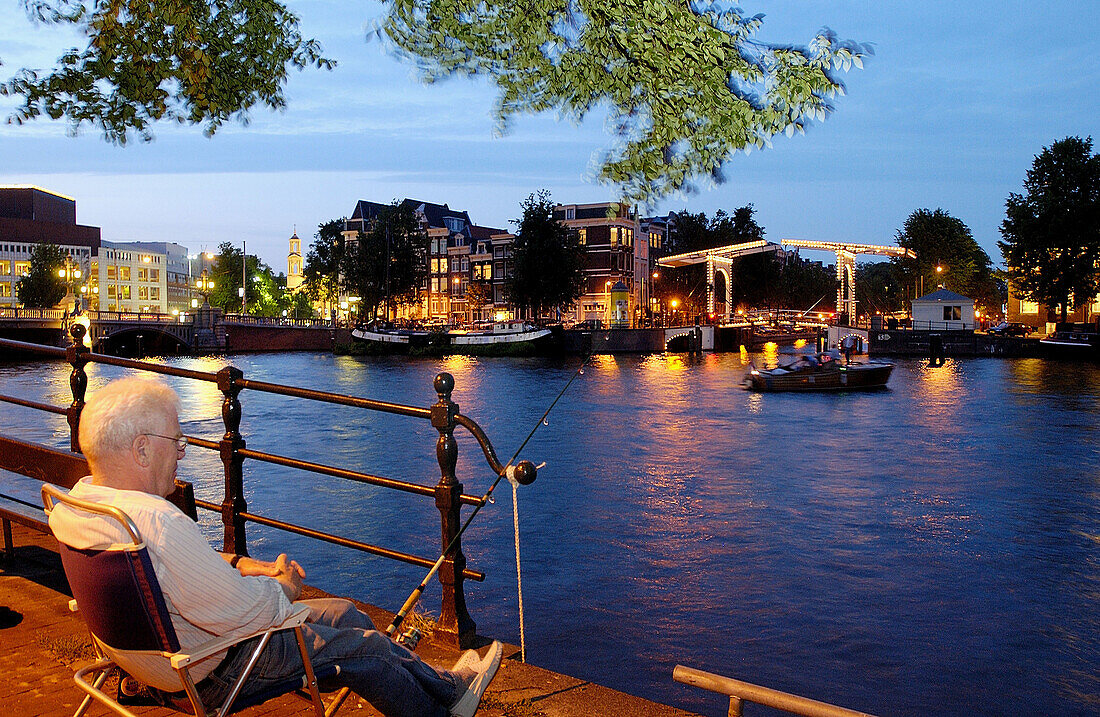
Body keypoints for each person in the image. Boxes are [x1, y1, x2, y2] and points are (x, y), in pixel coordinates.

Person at [48, 376, 501, 717]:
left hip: (148, 662)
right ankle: (442, 712)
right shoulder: (158, 521)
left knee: (344, 613)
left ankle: (448, 689)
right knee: (366, 649)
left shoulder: (81, 504)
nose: (182, 453)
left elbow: (173, 574)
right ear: (142, 450)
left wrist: (247, 565)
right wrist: (283, 586)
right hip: (213, 670)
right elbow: (255, 614)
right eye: (177, 442)